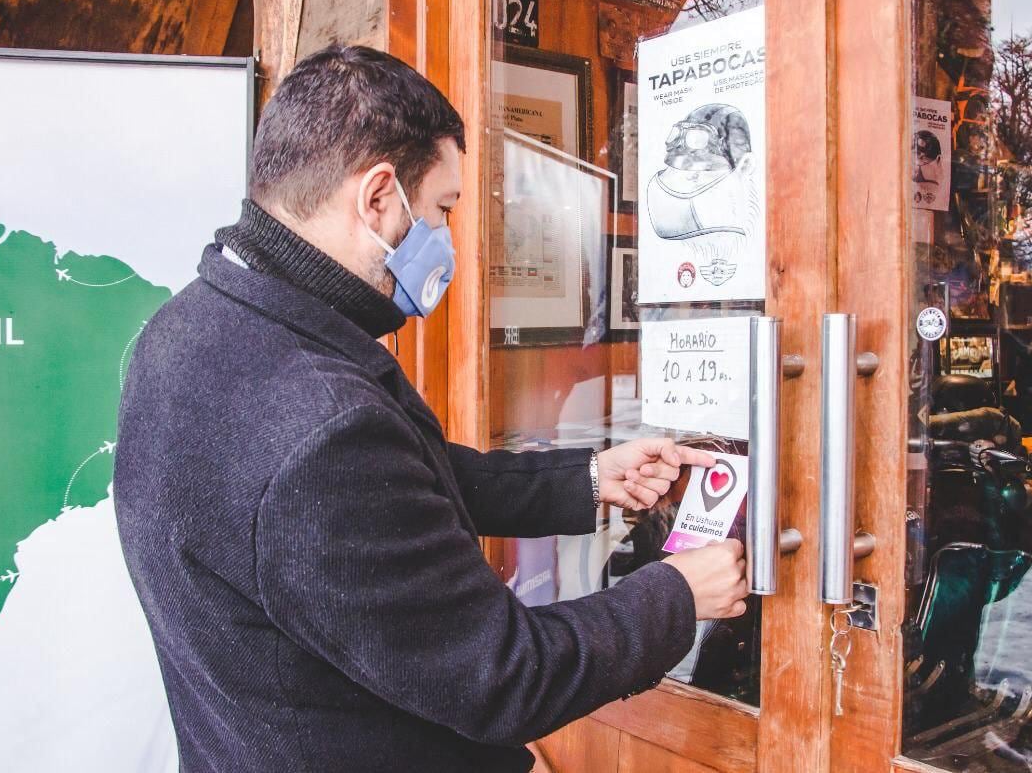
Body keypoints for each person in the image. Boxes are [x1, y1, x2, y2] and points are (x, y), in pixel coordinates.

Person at [113, 44, 750, 773]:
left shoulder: (186, 332)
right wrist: (674, 593)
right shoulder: (317, 425)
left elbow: (399, 482)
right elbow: (502, 676)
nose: (447, 238)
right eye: (443, 207)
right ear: (379, 196)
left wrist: (590, 478)